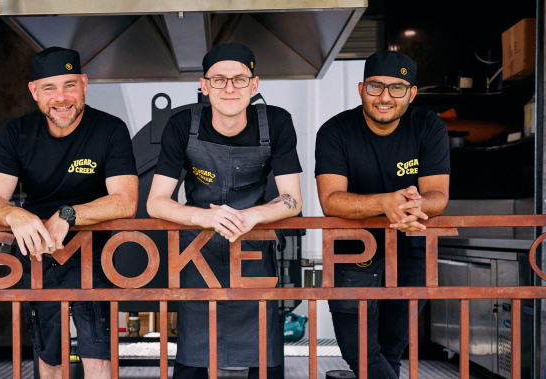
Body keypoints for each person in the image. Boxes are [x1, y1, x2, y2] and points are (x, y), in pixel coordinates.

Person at [0, 46, 138, 379]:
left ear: (84, 83)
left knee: (97, 352)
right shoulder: (16, 133)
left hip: (94, 252)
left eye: (69, 85)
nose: (61, 97)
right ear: (34, 91)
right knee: (49, 352)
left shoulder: (109, 129)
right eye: (49, 87)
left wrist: (68, 214)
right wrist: (14, 215)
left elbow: (125, 200)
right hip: (39, 253)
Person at [147, 43, 303, 379]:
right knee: (193, 359)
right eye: (218, 80)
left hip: (254, 253)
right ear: (204, 86)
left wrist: (251, 217)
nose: (229, 88)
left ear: (254, 84)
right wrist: (205, 217)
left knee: (264, 360)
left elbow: (293, 198)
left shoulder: (276, 122)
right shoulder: (181, 125)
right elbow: (156, 201)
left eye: (239, 79)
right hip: (198, 254)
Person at [315, 51, 450, 378]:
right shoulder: (335, 131)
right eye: (376, 87)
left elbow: (438, 196)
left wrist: (412, 206)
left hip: (410, 252)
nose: (385, 97)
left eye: (397, 88)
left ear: (412, 93)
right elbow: (330, 201)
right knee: (359, 353)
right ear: (362, 88)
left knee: (390, 349)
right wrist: (386, 202)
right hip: (351, 254)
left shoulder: (428, 126)